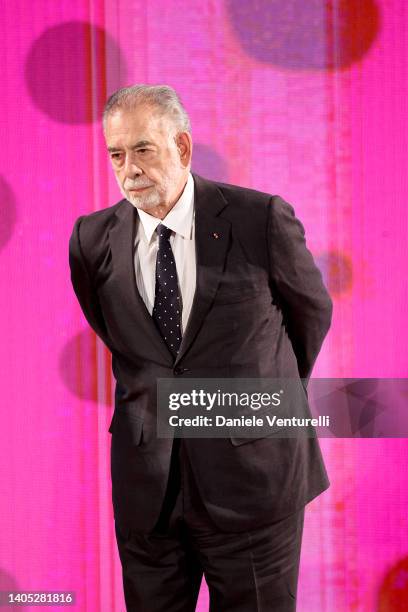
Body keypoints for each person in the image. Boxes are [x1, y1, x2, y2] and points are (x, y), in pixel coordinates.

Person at [69, 84, 333, 612]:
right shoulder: (91, 239)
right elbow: (128, 346)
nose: (129, 169)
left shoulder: (260, 220)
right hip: (149, 491)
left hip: (256, 483)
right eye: (116, 154)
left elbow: (311, 317)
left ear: (182, 147)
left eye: (143, 149)